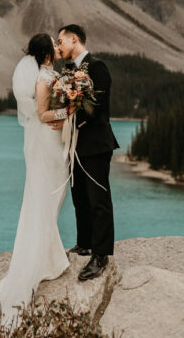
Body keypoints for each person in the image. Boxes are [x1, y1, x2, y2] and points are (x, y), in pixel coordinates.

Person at [0, 34, 69, 322]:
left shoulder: (46, 74)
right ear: (47, 54)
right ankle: (43, 261)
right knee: (47, 196)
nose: (59, 49)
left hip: (44, 139)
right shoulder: (45, 78)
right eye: (55, 46)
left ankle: (48, 255)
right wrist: (69, 109)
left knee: (44, 197)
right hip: (47, 141)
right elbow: (44, 114)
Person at [41, 24, 118, 281]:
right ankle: (84, 243)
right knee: (80, 198)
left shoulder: (97, 67)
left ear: (74, 39)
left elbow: (99, 109)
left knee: (98, 199)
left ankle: (101, 255)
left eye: (61, 41)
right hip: (74, 145)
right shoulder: (69, 71)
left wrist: (69, 116)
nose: (59, 46)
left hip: (96, 144)